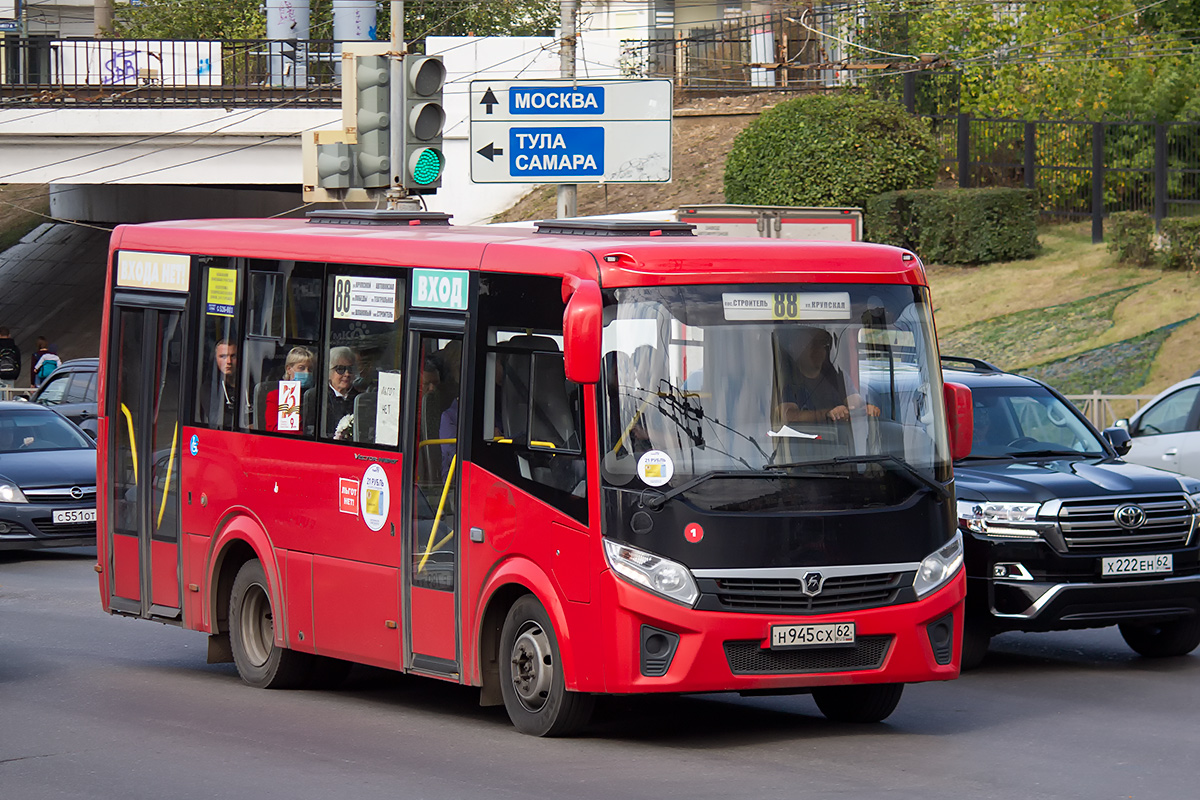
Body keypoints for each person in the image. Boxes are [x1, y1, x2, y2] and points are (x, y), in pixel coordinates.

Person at [776, 328, 879, 425]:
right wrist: (827, 414)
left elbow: (855, 402)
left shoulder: (838, 378)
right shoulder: (787, 380)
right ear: (798, 348)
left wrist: (865, 409)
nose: (819, 350)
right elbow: (787, 415)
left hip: (840, 440)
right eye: (813, 345)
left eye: (823, 345)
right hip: (802, 441)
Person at [264, 346, 314, 433]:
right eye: (301, 368)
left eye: (309, 369)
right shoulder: (276, 396)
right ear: (289, 369)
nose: (306, 373)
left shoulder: (313, 396)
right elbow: (273, 431)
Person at [199, 338, 242, 429]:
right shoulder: (209, 388)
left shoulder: (251, 385)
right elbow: (217, 419)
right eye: (223, 356)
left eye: (233, 356)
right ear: (215, 360)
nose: (229, 362)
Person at [325, 346, 360, 439]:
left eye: (350, 369)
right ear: (329, 372)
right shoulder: (317, 396)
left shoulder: (359, 399)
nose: (347, 374)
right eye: (340, 369)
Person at [0, 327, 20, 395]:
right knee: (8, 397)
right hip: (11, 374)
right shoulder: (14, 347)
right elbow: (18, 361)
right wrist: (15, 374)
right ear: (9, 335)